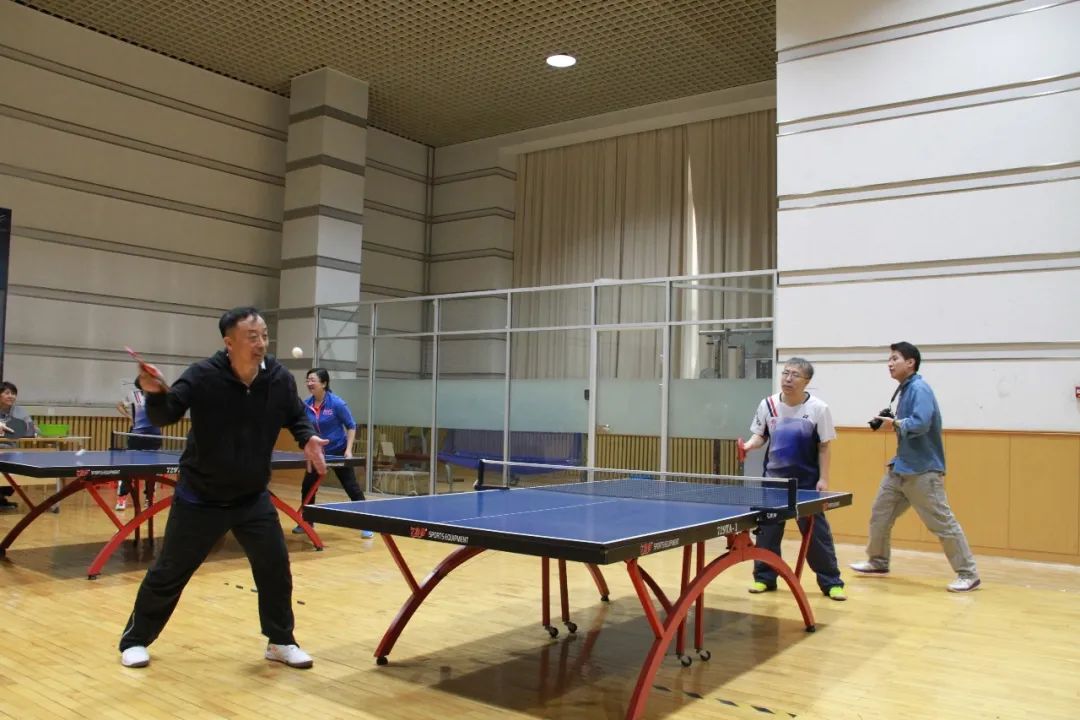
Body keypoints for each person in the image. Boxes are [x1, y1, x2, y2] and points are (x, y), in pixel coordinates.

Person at [117, 307, 329, 669]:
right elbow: (166, 414)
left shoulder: (277, 377)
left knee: (275, 568)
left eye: (264, 336)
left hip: (251, 497)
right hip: (200, 496)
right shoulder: (203, 375)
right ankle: (135, 641)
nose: (261, 343)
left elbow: (295, 414)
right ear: (229, 343)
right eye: (252, 337)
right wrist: (154, 393)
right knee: (169, 572)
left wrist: (307, 437)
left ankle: (280, 641)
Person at [850, 342, 980, 592]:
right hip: (900, 467)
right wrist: (892, 422)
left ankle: (968, 574)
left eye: (895, 358)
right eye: (889, 359)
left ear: (910, 363)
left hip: (923, 471)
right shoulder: (904, 389)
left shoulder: (919, 389)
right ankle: (878, 561)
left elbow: (920, 423)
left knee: (942, 523)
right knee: (880, 514)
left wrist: (895, 424)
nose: (889, 363)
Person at [742, 358, 846, 601]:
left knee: (817, 536)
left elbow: (824, 447)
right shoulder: (768, 404)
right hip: (774, 482)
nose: (788, 379)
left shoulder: (819, 409)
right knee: (767, 532)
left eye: (795, 375)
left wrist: (824, 478)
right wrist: (748, 445)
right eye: (785, 373)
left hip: (806, 485)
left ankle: (831, 582)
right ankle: (764, 578)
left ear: (806, 381)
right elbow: (760, 436)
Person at [292, 368, 373, 538]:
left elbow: (351, 426)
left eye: (313, 380)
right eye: (307, 380)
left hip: (337, 451)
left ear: (324, 383)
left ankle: (367, 523)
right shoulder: (306, 404)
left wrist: (348, 450)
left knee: (351, 487)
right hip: (318, 454)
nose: (309, 383)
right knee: (308, 487)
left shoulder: (337, 403)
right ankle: (307, 521)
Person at [114, 376, 163, 510]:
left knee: (152, 469)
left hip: (154, 436)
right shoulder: (132, 395)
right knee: (129, 467)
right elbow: (119, 405)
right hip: (136, 436)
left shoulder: (158, 396)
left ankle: (149, 498)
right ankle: (122, 497)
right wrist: (129, 417)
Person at [0, 381, 37, 510]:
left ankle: (1, 497)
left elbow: (31, 429)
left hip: (11, 450)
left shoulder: (20, 411)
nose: (11, 396)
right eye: (7, 393)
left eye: (14, 393)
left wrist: (31, 429)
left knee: (22, 467)